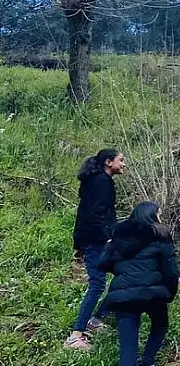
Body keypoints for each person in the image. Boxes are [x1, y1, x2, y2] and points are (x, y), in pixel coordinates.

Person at [97, 202, 179, 366]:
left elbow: (102, 264)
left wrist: (110, 246)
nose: (161, 218)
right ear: (152, 217)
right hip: (153, 294)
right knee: (160, 324)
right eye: (159, 215)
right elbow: (170, 271)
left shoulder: (119, 236)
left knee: (127, 348)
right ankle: (147, 362)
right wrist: (169, 293)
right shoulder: (161, 236)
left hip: (124, 298)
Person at [66, 148, 127, 352]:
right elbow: (94, 215)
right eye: (121, 160)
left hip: (93, 239)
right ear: (109, 162)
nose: (124, 164)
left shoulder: (97, 181)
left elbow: (87, 213)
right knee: (97, 284)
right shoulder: (102, 182)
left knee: (122, 275)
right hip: (96, 241)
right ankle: (76, 335)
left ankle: (96, 318)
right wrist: (106, 237)